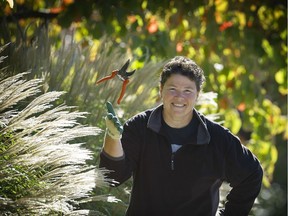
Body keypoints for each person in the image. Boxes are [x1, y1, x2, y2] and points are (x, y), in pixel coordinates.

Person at [99, 56, 263, 216]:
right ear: (161, 89)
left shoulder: (217, 139)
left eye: (187, 91)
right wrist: (112, 138)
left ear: (197, 94)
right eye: (172, 89)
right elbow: (112, 177)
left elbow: (252, 175)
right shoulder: (140, 127)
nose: (179, 97)